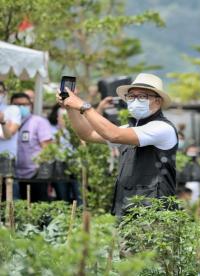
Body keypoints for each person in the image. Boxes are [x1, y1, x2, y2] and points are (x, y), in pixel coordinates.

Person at [56, 73, 178, 216]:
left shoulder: (162, 128)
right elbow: (87, 134)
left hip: (153, 213)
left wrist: (84, 106)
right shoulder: (129, 129)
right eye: (131, 96)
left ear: (158, 101)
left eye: (142, 96)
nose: (135, 100)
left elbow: (113, 134)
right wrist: (70, 108)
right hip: (127, 208)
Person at [12, 93, 53, 202]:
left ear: (30, 105)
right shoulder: (9, 124)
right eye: (16, 105)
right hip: (15, 175)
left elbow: (47, 148)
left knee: (38, 207)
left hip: (35, 175)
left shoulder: (38, 122)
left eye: (24, 104)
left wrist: (42, 171)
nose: (21, 107)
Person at [47, 104, 82, 205]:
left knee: (79, 194)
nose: (64, 120)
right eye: (62, 117)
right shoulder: (52, 131)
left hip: (76, 164)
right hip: (59, 166)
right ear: (58, 118)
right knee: (62, 197)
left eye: (67, 118)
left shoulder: (78, 131)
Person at [0, 82, 21, 200]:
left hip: (7, 160)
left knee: (12, 198)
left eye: (0, 91)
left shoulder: (12, 110)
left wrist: (3, 122)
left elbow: (8, 134)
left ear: (4, 93)